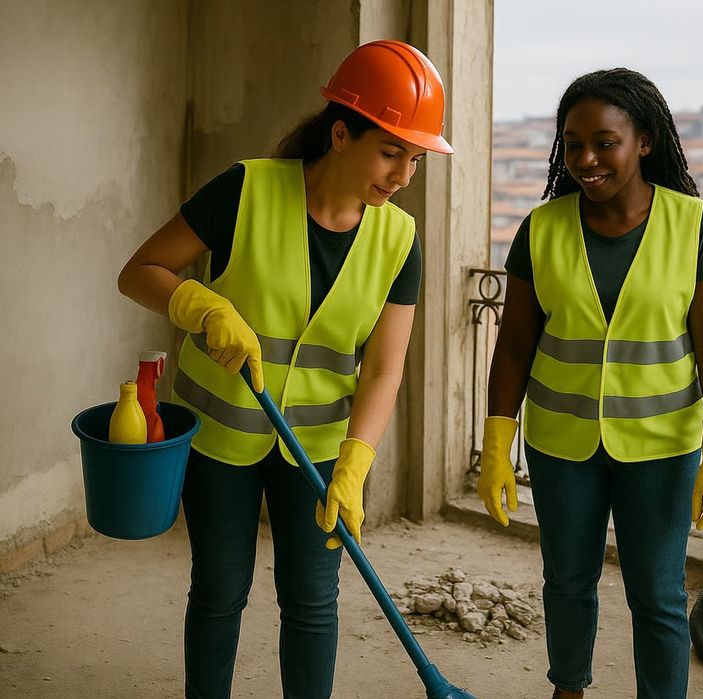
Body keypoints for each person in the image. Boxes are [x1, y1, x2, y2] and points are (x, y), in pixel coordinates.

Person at [117, 40, 453, 699]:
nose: (403, 176)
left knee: (311, 599)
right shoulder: (246, 189)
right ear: (340, 132)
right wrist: (200, 302)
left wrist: (355, 463)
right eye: (391, 152)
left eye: (414, 159)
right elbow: (139, 273)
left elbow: (385, 368)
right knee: (220, 589)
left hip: (319, 450)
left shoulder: (399, 239)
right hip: (219, 438)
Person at [477, 68, 703, 699]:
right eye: (572, 144)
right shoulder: (541, 228)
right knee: (567, 583)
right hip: (561, 443)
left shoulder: (695, 225)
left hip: (660, 445)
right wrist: (496, 441)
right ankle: (568, 691)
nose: (585, 160)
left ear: (644, 141)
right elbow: (513, 345)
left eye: (604, 142)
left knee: (658, 595)